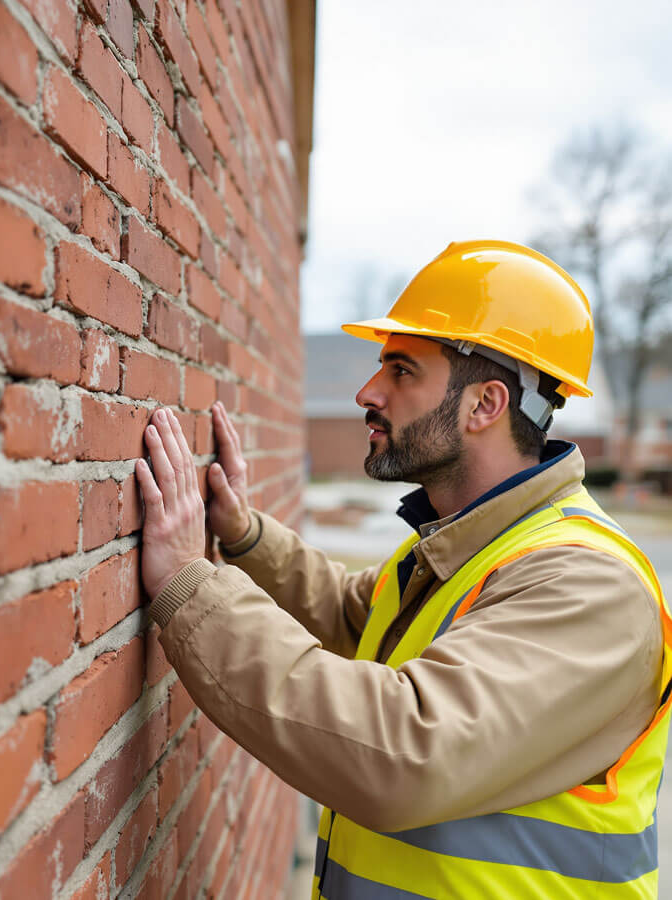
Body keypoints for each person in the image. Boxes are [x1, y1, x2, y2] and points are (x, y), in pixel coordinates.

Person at [134, 241, 671, 898]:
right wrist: (243, 535)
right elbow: (350, 614)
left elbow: (405, 752)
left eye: (401, 370)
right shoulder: (472, 546)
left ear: (484, 405)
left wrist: (190, 585)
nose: (367, 392)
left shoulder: (589, 586)